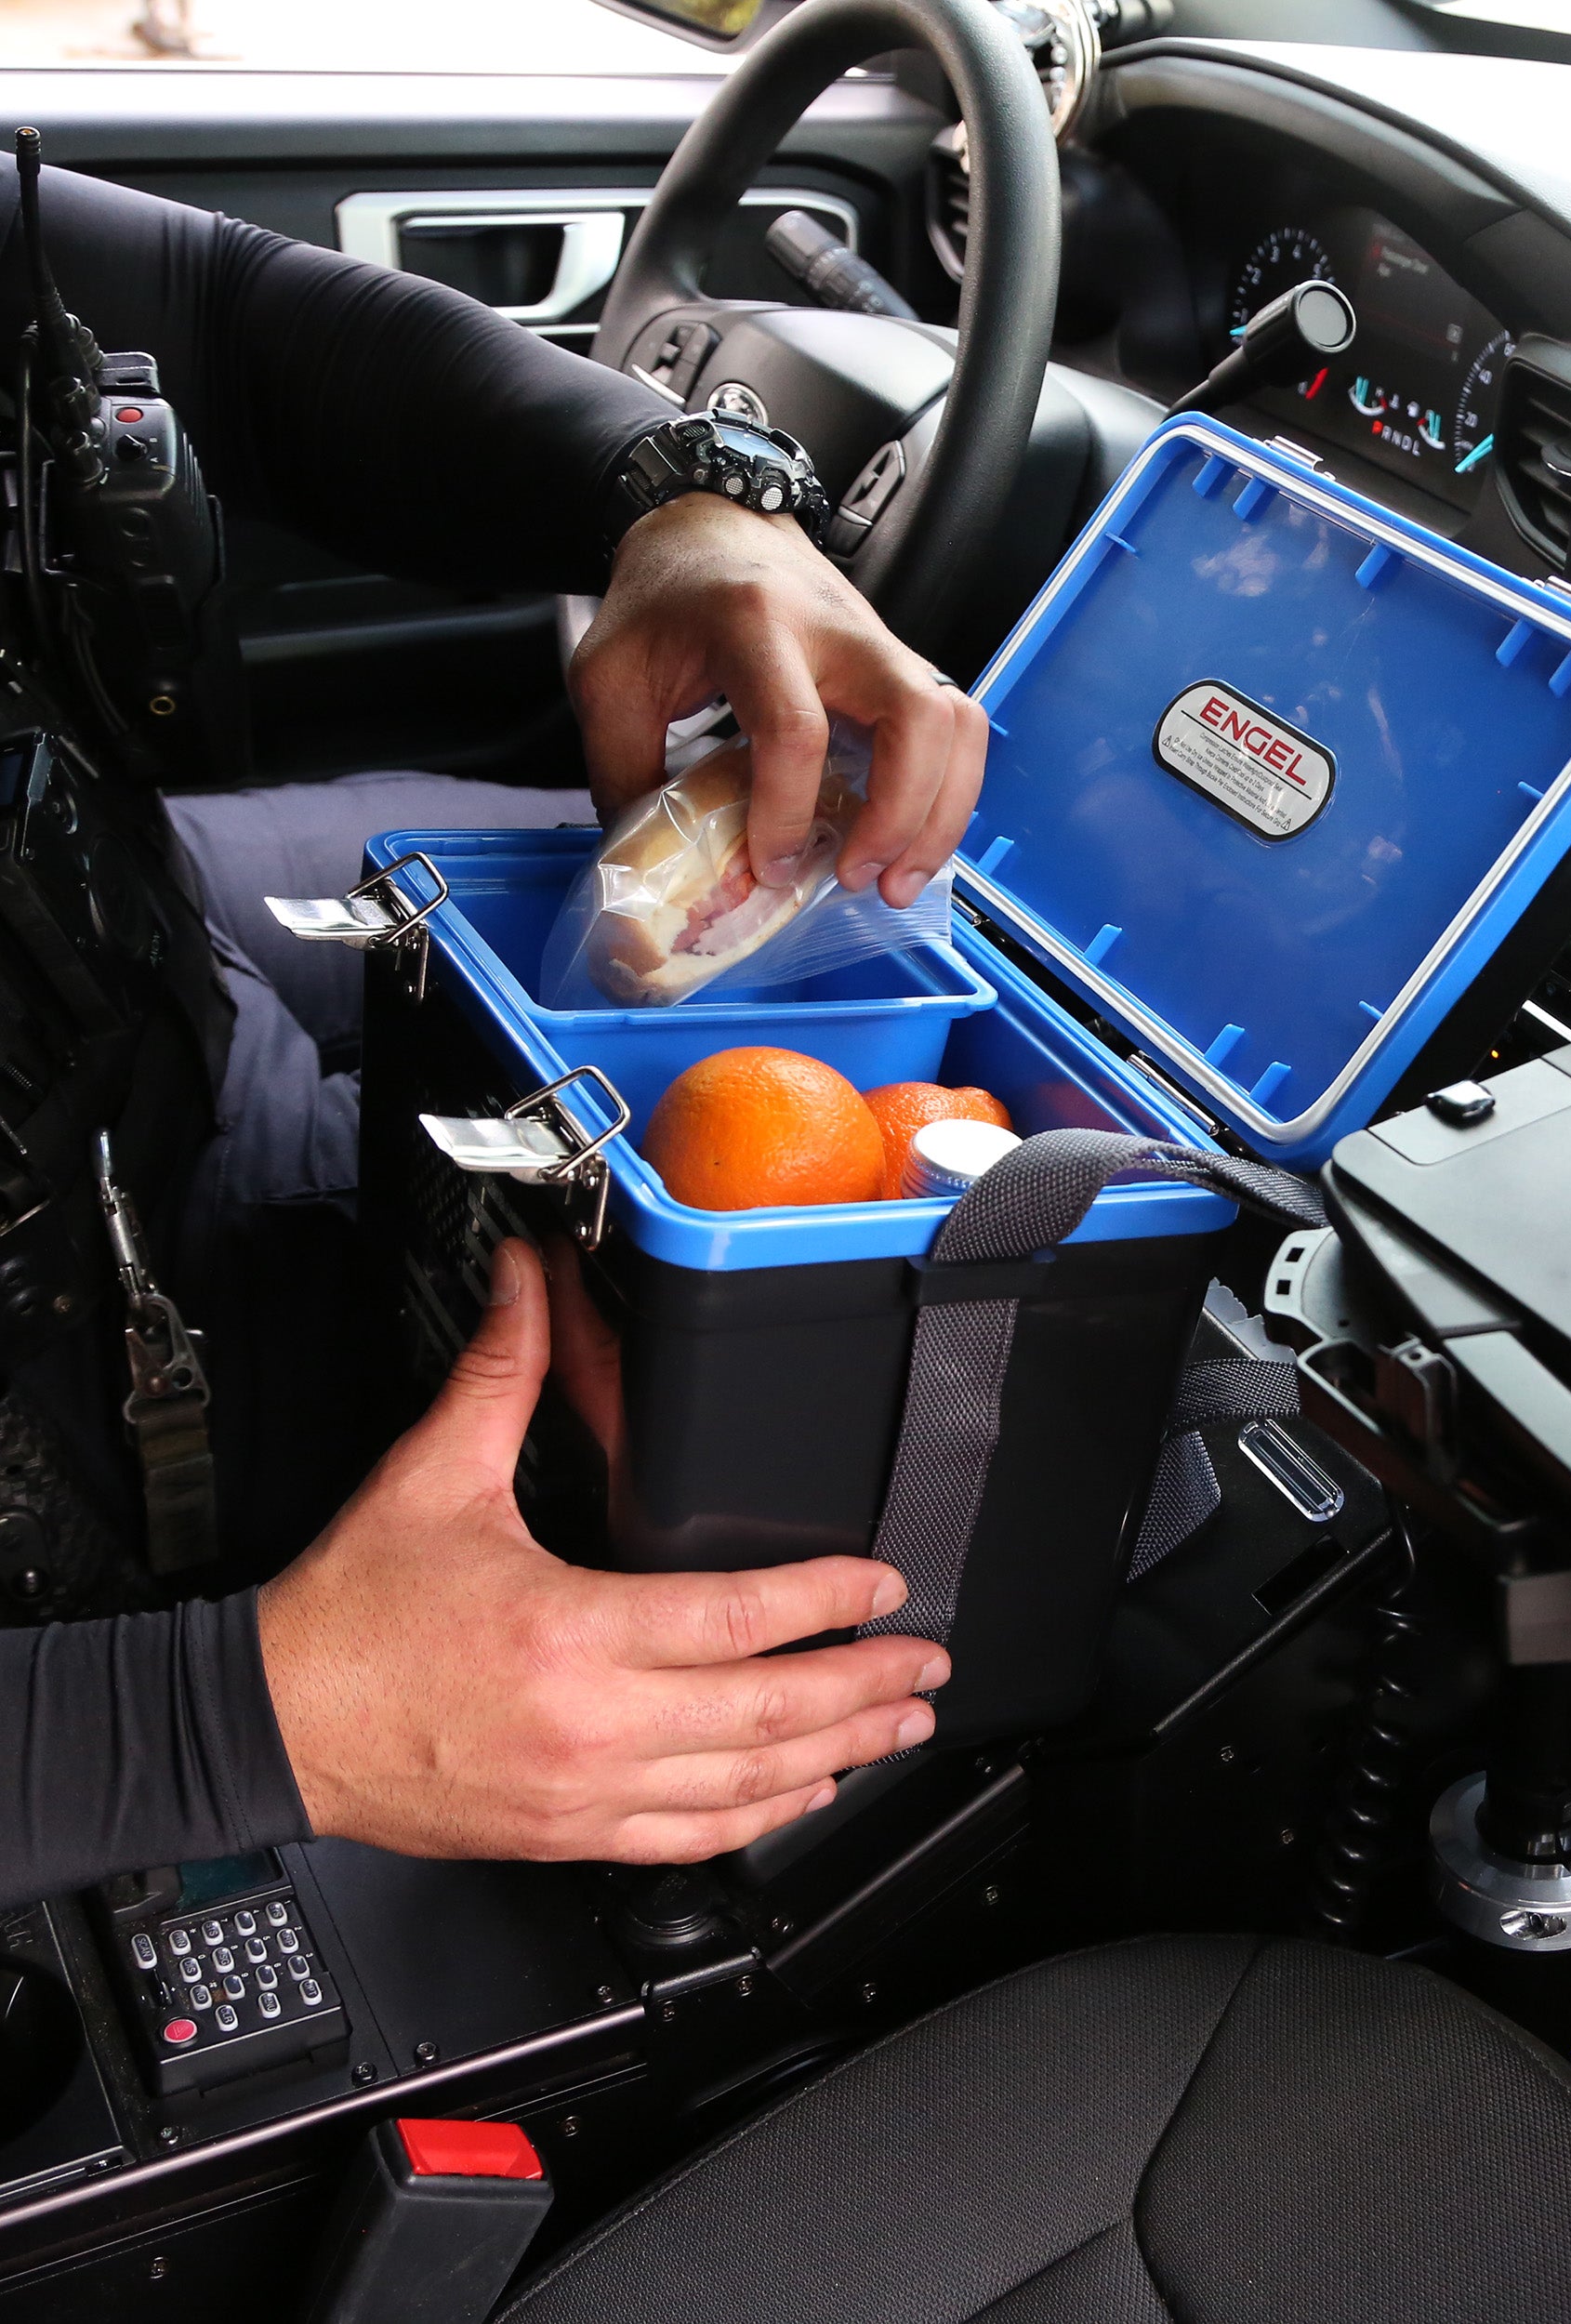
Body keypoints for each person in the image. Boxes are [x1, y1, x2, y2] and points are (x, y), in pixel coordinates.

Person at [0, 164, 984, 1905]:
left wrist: (684, 501)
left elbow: (224, 318)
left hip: (128, 964)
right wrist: (249, 1719)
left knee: (562, 885)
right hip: (64, 1484)